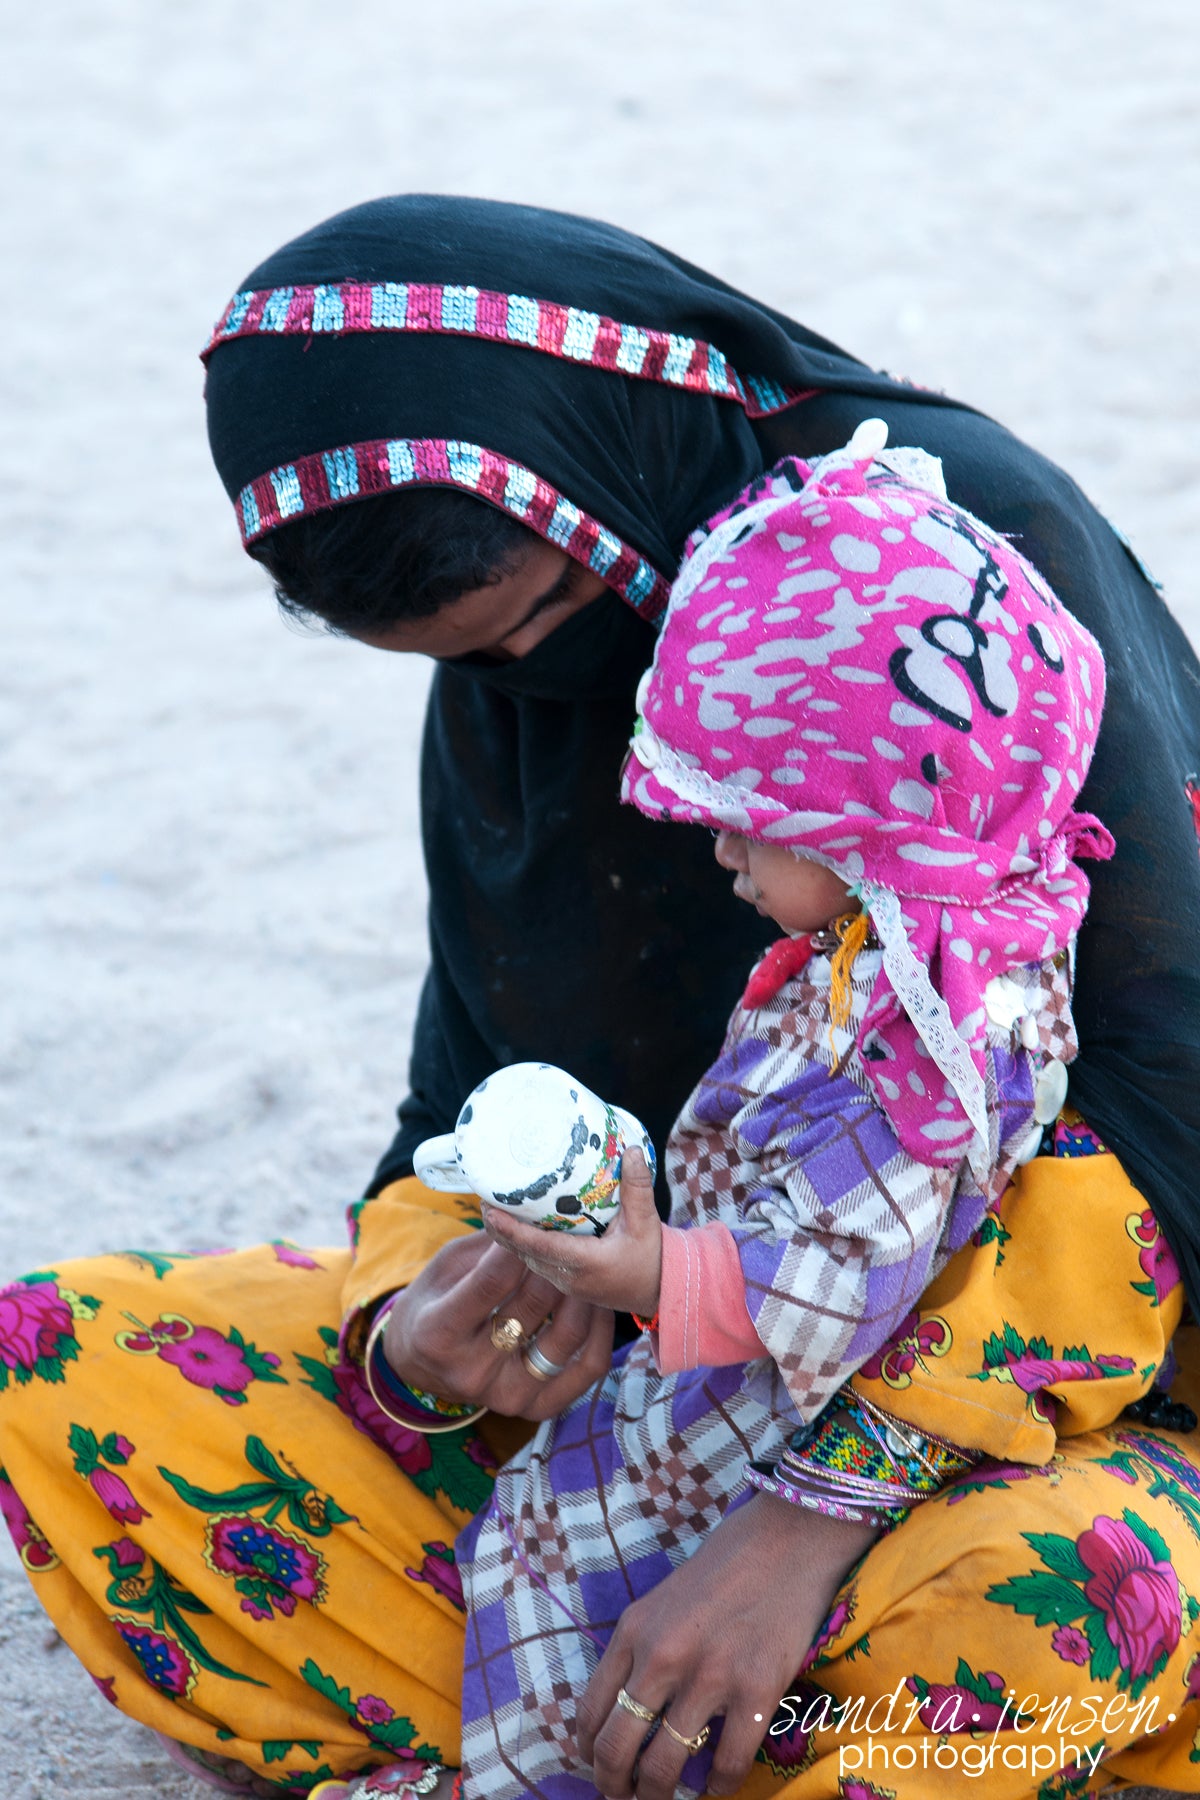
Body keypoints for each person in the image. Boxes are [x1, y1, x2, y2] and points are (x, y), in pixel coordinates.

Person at [1, 195, 1199, 1800]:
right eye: (474, 664)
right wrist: (422, 1337)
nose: (571, 701)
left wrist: (807, 1523)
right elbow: (466, 1103)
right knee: (74, 1361)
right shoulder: (514, 679)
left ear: (593, 456)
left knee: (1048, 1602)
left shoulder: (945, 591)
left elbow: (1163, 1108)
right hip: (658, 1408)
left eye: (557, 620)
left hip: (1037, 1419)